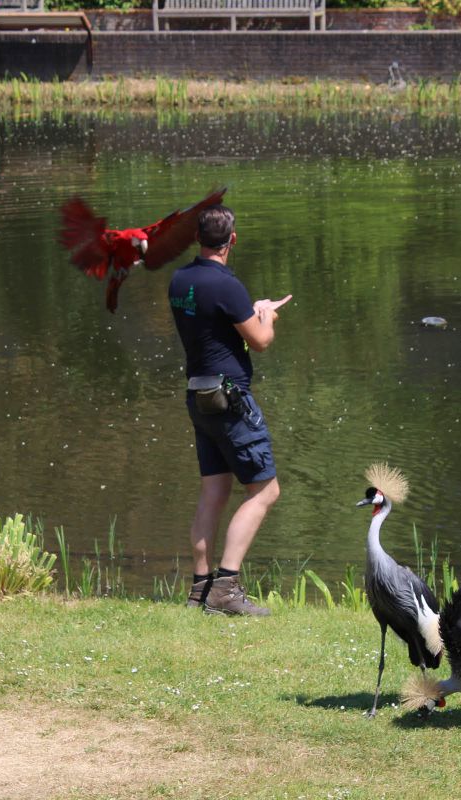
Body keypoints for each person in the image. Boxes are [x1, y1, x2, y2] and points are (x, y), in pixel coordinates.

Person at [169, 205, 291, 617]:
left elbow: (212, 322)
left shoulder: (179, 280)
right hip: (230, 398)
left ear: (196, 238)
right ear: (232, 239)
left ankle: (199, 591)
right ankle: (226, 587)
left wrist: (248, 309)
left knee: (214, 492)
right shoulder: (226, 284)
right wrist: (266, 316)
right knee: (265, 491)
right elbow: (259, 341)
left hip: (198, 396)